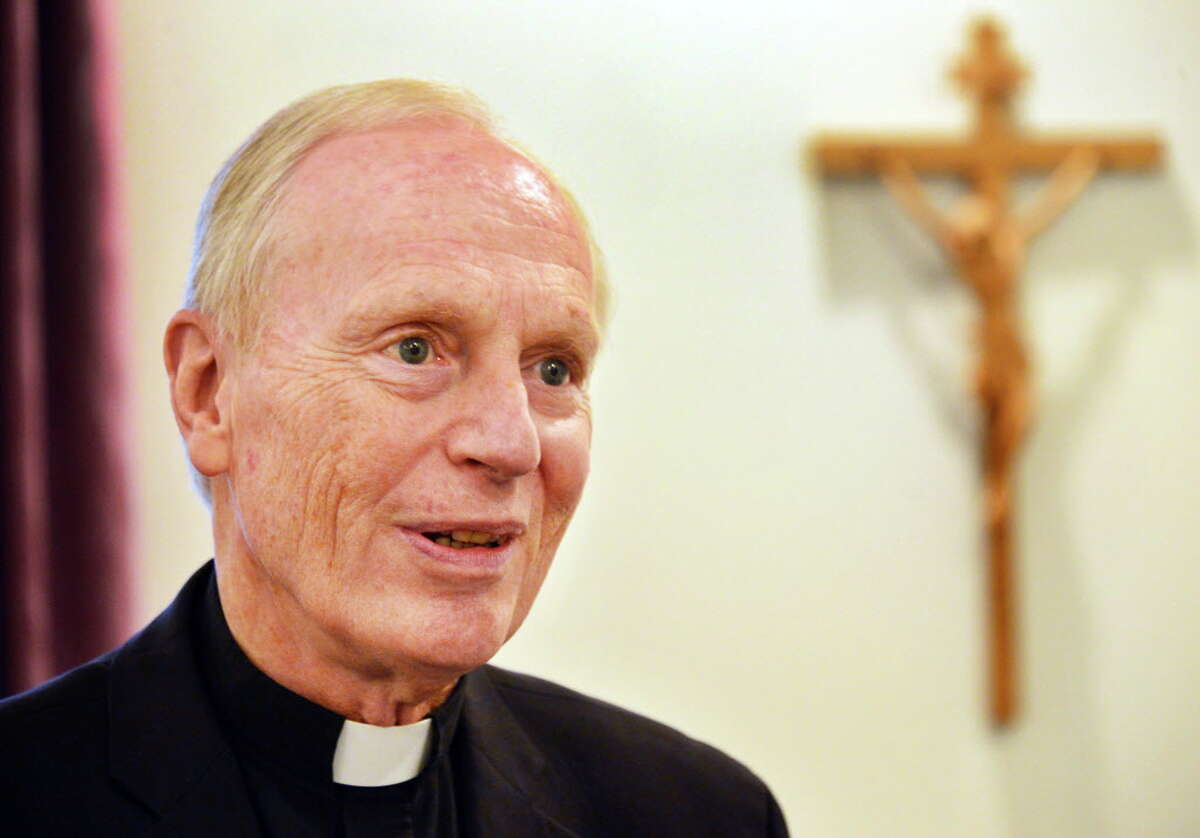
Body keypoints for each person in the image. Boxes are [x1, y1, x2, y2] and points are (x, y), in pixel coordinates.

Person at [0, 80, 788, 836]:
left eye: (553, 370)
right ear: (209, 393)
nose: (510, 444)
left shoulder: (699, 814)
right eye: (415, 349)